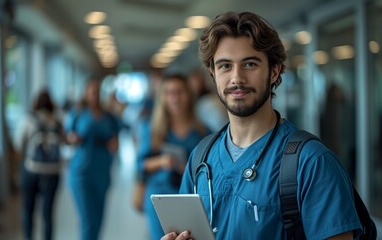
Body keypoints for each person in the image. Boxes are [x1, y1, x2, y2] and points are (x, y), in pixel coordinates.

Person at [161, 12, 362, 240]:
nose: (237, 78)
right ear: (213, 74)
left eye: (249, 64)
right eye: (225, 66)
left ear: (274, 71)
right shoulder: (200, 158)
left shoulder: (312, 162)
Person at [137, 74, 210, 240]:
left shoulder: (203, 132)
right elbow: (140, 165)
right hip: (161, 198)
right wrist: (162, 161)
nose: (175, 97)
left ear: (189, 95)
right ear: (162, 97)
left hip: (190, 201)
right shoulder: (153, 130)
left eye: (179, 92)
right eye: (169, 92)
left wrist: (186, 168)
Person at [65, 78, 120, 240]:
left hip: (102, 170)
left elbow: (116, 143)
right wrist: (73, 138)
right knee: (87, 218)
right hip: (81, 171)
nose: (94, 95)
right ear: (85, 93)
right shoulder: (78, 113)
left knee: (98, 218)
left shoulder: (108, 116)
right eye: (91, 91)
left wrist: (112, 144)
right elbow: (68, 136)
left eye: (96, 91)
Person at [14, 90, 63, 240]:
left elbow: (18, 145)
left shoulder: (28, 119)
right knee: (48, 214)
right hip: (53, 172)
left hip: (32, 169)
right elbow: (62, 142)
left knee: (28, 210)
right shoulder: (57, 120)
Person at [187, 68, 228, 132]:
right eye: (193, 80)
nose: (196, 84)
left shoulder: (208, 101)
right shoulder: (194, 102)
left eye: (198, 80)